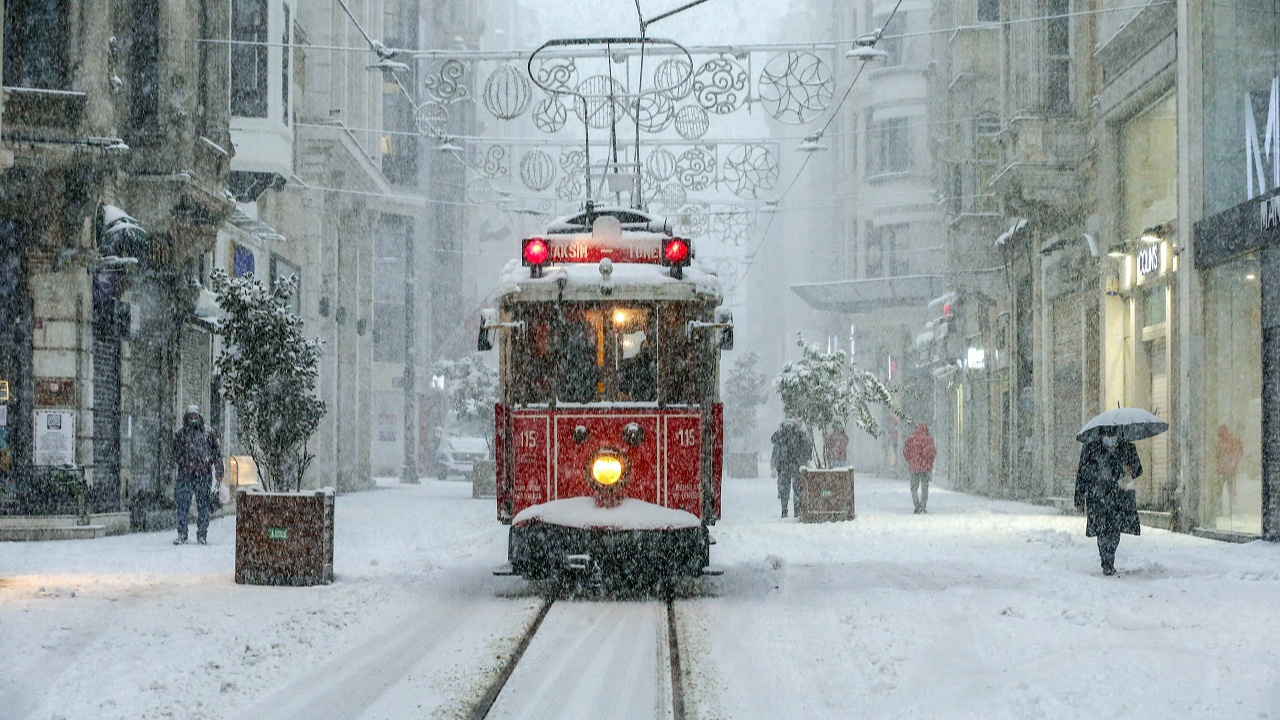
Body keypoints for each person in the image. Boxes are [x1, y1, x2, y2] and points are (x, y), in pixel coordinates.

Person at [1074, 428, 1142, 575]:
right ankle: (1106, 560)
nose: (1110, 438)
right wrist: (1079, 498)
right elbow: (1082, 475)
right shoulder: (1090, 449)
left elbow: (1138, 469)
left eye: (1113, 435)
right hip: (1097, 497)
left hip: (1119, 497)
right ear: (1101, 435)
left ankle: (1109, 556)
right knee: (1102, 530)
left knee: (1115, 530)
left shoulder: (1127, 448)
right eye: (1107, 435)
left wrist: (1131, 469)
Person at [170, 405, 223, 545]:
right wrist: (184, 462)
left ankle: (202, 535)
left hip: (203, 475)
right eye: (190, 416)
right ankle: (182, 534)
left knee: (203, 506)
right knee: (182, 505)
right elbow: (174, 453)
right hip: (185, 475)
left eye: (195, 416)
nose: (193, 419)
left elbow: (216, 454)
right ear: (186, 417)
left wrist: (219, 470)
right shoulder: (180, 434)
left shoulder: (208, 433)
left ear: (199, 416)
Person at [770, 419, 812, 518]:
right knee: (797, 488)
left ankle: (784, 510)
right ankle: (797, 510)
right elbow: (806, 445)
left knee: (785, 488)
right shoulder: (798, 433)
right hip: (795, 464)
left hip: (784, 465)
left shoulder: (781, 433)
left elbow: (773, 439)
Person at [902, 423, 936, 514]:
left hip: (914, 467)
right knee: (925, 487)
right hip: (925, 467)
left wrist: (910, 461)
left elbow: (905, 451)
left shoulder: (912, 439)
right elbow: (932, 453)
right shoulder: (929, 440)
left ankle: (916, 505)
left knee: (914, 487)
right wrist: (929, 463)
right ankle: (923, 505)